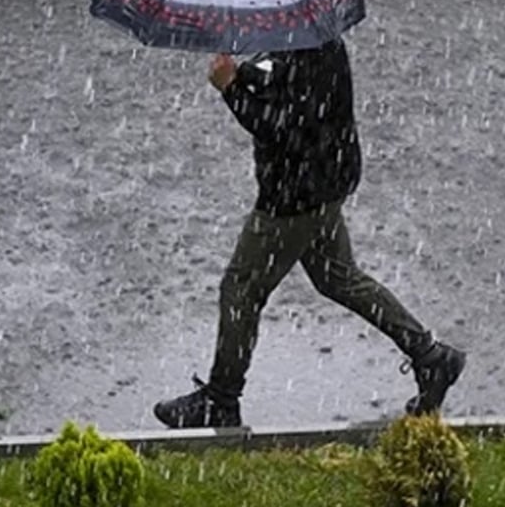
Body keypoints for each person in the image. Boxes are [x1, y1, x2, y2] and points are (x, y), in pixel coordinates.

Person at [152, 37, 466, 428]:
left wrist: (231, 88)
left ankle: (221, 399)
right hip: (323, 182)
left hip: (295, 196)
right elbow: (278, 79)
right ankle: (432, 358)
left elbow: (283, 129)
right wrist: (244, 73)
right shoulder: (309, 37)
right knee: (337, 276)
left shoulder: (308, 50)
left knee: (241, 289)